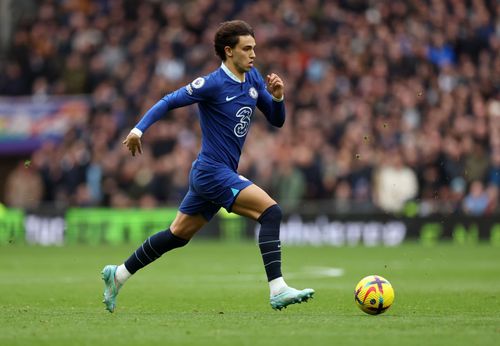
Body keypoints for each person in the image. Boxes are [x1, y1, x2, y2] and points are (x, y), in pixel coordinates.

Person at [101, 20, 314, 313]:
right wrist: (138, 130)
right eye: (247, 48)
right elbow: (168, 101)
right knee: (271, 212)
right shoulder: (212, 84)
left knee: (177, 235)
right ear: (229, 51)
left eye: (254, 48)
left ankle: (119, 274)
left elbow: (276, 120)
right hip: (212, 172)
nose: (253, 54)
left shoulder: (252, 80)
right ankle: (277, 289)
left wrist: (278, 97)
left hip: (213, 173)